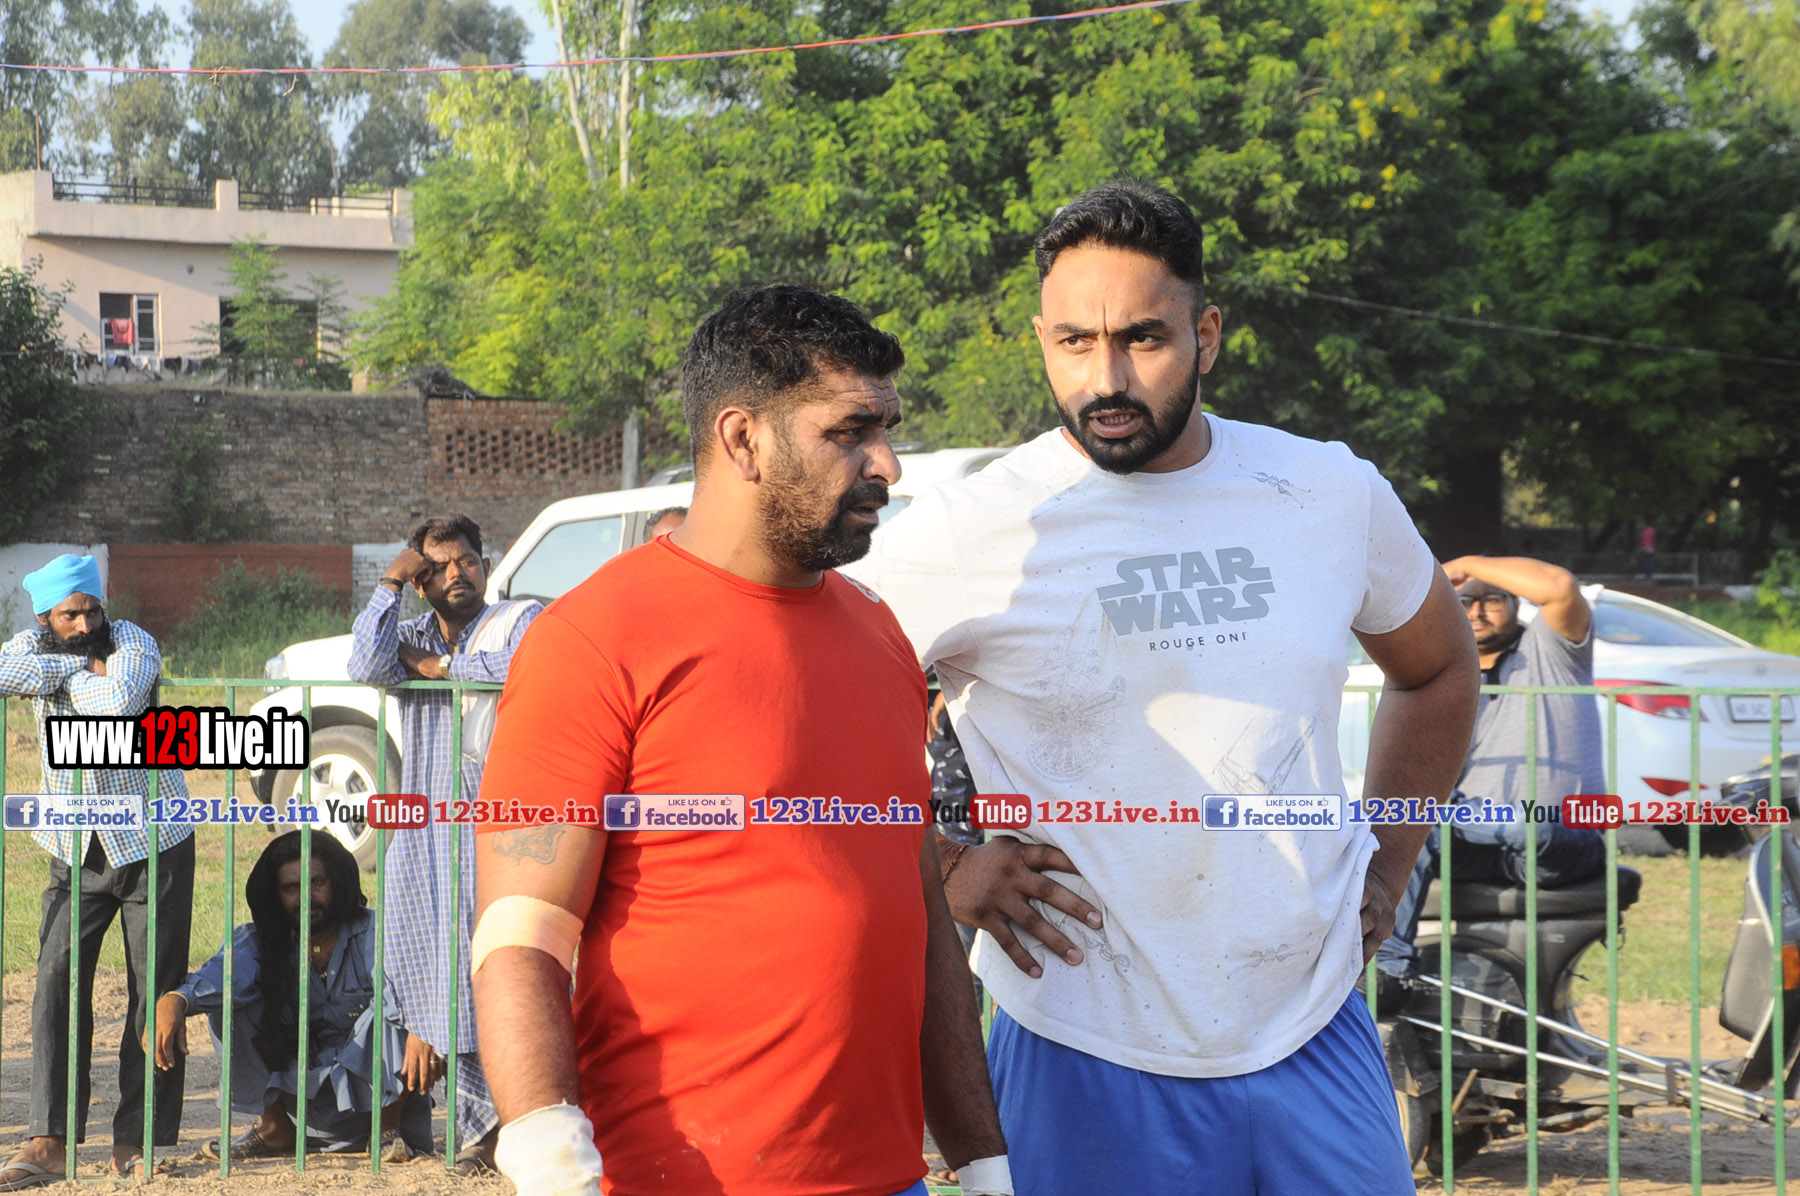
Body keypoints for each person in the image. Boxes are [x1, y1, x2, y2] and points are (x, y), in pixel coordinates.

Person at [852, 181, 1479, 1195]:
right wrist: (945, 862)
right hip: (1082, 1037)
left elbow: (1440, 668)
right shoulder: (973, 529)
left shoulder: (1327, 490)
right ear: (1041, 341)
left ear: (1207, 335)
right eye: (1073, 342)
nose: (1105, 377)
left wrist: (1388, 859)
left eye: (1143, 338)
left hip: (1314, 1024)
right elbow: (809, 717)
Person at [470, 286, 1012, 1196]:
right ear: (743, 439)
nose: (886, 464)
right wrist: (554, 1168)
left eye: (887, 430)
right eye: (850, 431)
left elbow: (921, 921)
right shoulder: (595, 638)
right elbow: (521, 936)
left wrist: (985, 1164)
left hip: (889, 1181)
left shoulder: (880, 634)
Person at [345, 515, 541, 1173]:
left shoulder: (516, 619)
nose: (458, 574)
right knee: (427, 963)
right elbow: (365, 664)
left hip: (500, 821)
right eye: (438, 567)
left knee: (489, 962)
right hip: (427, 828)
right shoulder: (409, 633)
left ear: (485, 564)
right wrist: (389, 583)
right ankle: (458, 1123)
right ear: (421, 580)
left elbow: (521, 666)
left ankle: (497, 1128)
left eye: (468, 561)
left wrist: (438, 668)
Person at [0, 554, 195, 1188]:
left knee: (153, 993)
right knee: (55, 984)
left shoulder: (134, 639)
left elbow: (120, 702)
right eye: (70, 616)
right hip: (74, 844)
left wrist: (55, 678)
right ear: (44, 618)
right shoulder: (31, 646)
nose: (86, 625)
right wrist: (80, 667)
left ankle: (137, 1142)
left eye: (92, 611)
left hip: (155, 840)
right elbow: (4, 673)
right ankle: (48, 1141)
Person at [1375, 556, 1607, 988]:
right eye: (1464, 601)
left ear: (1517, 603)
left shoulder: (1552, 650)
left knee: (1528, 822)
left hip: (1560, 838)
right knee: (1406, 819)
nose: (1477, 611)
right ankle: (1388, 974)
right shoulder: (1441, 677)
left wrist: (1466, 565)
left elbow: (1559, 587)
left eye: (1492, 599)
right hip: (1477, 842)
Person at [148, 831, 436, 1161]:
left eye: (317, 882)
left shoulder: (377, 932)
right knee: (229, 1002)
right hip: (300, 1108)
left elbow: (418, 989)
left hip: (379, 1108)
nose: (306, 897)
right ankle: (275, 1129)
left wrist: (423, 1028)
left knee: (404, 999)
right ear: (276, 894)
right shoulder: (261, 940)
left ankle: (386, 1129)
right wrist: (177, 999)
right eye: (290, 888)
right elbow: (225, 974)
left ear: (338, 882)